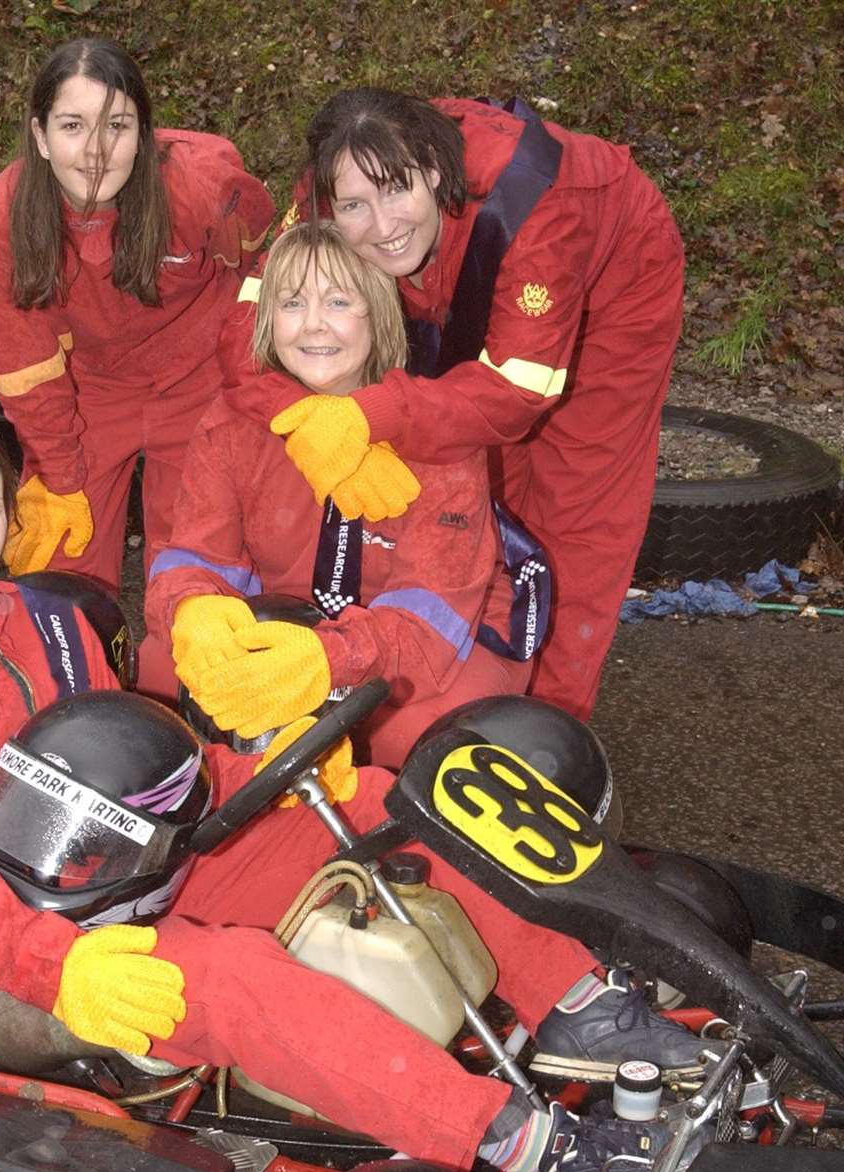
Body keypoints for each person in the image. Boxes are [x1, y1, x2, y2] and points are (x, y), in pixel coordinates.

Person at [0, 408, 703, 1172]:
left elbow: (148, 776)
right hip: (12, 955)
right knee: (235, 978)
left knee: (389, 804)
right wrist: (56, 964)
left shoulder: (42, 619)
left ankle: (582, 1005)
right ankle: (525, 1142)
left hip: (137, 875)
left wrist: (274, 770)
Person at [220, 87, 685, 722]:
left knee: (572, 512)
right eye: (355, 205)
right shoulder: (323, 191)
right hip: (455, 264)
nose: (380, 226)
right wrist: (306, 416)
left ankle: (545, 735)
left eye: (396, 191)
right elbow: (247, 331)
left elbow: (515, 395)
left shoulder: (546, 210)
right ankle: (441, 671)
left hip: (612, 278)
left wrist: (367, 416)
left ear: (435, 171)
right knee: (450, 473)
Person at [143, 222, 534, 769]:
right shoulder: (234, 420)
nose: (314, 325)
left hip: (438, 641)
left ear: (377, 313)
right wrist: (194, 610)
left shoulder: (439, 431)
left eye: (339, 301)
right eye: (292, 302)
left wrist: (329, 660)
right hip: (296, 618)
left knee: (417, 743)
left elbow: (429, 627)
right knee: (162, 675)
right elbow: (194, 553)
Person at [0, 37, 274, 591]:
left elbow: (267, 279)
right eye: (73, 126)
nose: (96, 151)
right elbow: (23, 367)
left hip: (200, 374)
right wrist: (58, 473)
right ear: (41, 137)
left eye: (118, 126)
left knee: (200, 567)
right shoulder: (0, 226)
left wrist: (249, 395)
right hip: (90, 389)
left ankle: (183, 668)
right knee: (56, 560)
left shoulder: (201, 190)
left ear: (144, 136)